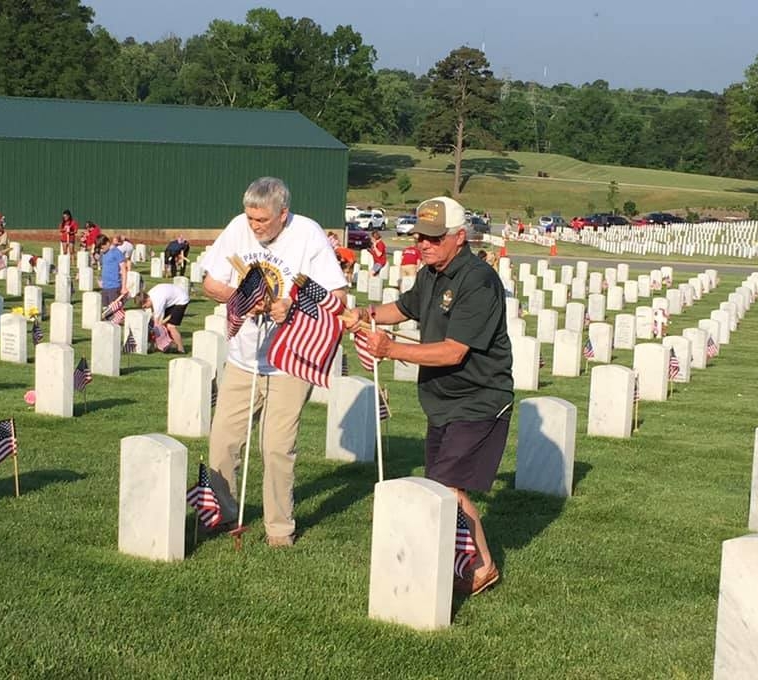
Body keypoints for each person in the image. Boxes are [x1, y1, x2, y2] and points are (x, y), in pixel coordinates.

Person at [351, 195, 513, 596]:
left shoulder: (477, 280)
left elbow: (453, 351)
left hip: (480, 397)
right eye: (420, 235)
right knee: (443, 486)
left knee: (446, 486)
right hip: (442, 398)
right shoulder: (431, 274)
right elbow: (404, 308)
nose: (423, 243)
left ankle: (481, 566)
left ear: (459, 237)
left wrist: (390, 351)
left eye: (434, 237)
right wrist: (364, 314)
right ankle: (459, 559)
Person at [201, 177, 346, 546]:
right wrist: (244, 296)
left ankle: (279, 529)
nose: (253, 226)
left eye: (261, 220)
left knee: (277, 446)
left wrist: (290, 304)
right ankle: (222, 513)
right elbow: (210, 283)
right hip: (243, 358)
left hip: (288, 361)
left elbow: (338, 295)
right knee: (222, 440)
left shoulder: (308, 234)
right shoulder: (238, 228)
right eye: (250, 218)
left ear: (284, 213)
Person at [141, 283, 189, 353]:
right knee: (156, 325)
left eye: (144, 305)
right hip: (171, 300)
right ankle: (154, 346)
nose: (143, 307)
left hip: (181, 300)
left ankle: (181, 349)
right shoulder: (150, 296)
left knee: (170, 326)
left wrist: (154, 328)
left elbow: (157, 322)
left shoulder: (157, 301)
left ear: (147, 299)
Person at [97, 234, 128, 307]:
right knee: (105, 310)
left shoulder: (116, 252)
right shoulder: (103, 253)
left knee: (114, 312)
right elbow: (102, 268)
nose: (101, 249)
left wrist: (123, 287)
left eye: (102, 247)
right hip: (105, 286)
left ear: (107, 243)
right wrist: (100, 279)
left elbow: (124, 269)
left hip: (114, 287)